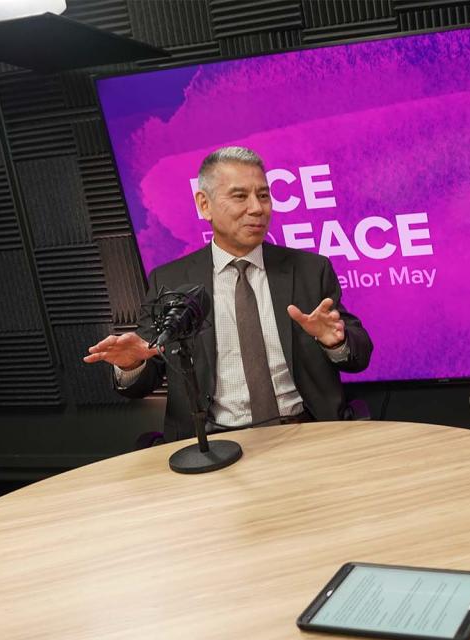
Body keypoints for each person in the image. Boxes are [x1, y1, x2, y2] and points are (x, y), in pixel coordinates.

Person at [83, 147, 372, 440]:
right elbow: (143, 380)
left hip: (305, 431)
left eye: (263, 195)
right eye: (239, 196)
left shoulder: (310, 269)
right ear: (204, 204)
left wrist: (335, 342)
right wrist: (133, 363)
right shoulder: (169, 280)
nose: (257, 208)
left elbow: (359, 357)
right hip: (213, 442)